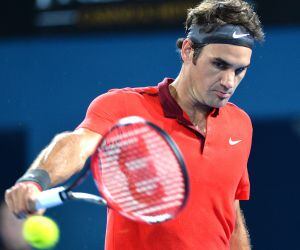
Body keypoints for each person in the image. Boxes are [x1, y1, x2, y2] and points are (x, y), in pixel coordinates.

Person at [5, 0, 264, 249]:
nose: (229, 81)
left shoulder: (239, 125)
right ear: (188, 51)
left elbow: (230, 215)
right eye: (219, 64)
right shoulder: (124, 106)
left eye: (240, 70)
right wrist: (34, 180)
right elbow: (76, 144)